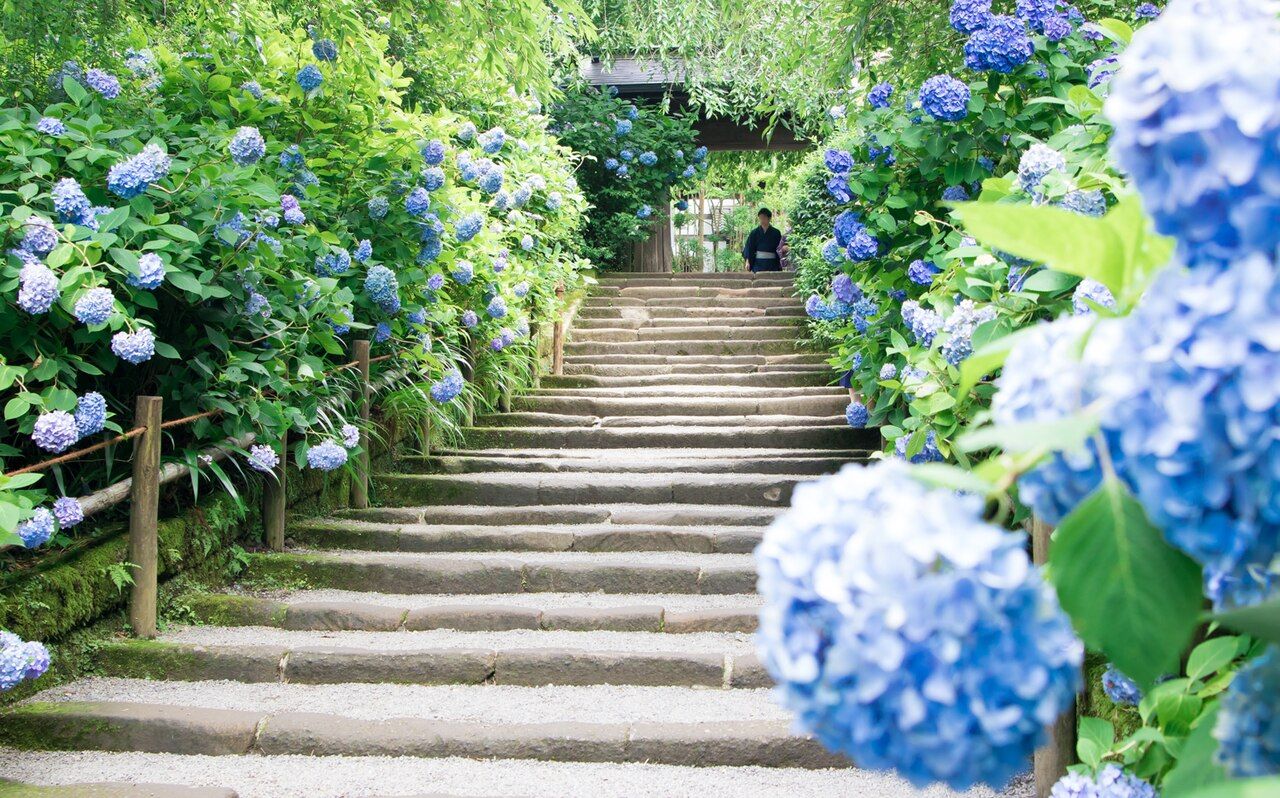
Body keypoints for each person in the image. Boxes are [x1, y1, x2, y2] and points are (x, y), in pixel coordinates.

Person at [742, 208, 783, 272]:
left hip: (772, 264)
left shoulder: (776, 233)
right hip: (758, 264)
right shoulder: (754, 233)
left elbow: (779, 248)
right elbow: (749, 247)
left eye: (764, 218)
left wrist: (781, 262)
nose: (762, 220)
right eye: (760, 218)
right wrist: (747, 261)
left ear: (769, 218)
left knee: (773, 277)